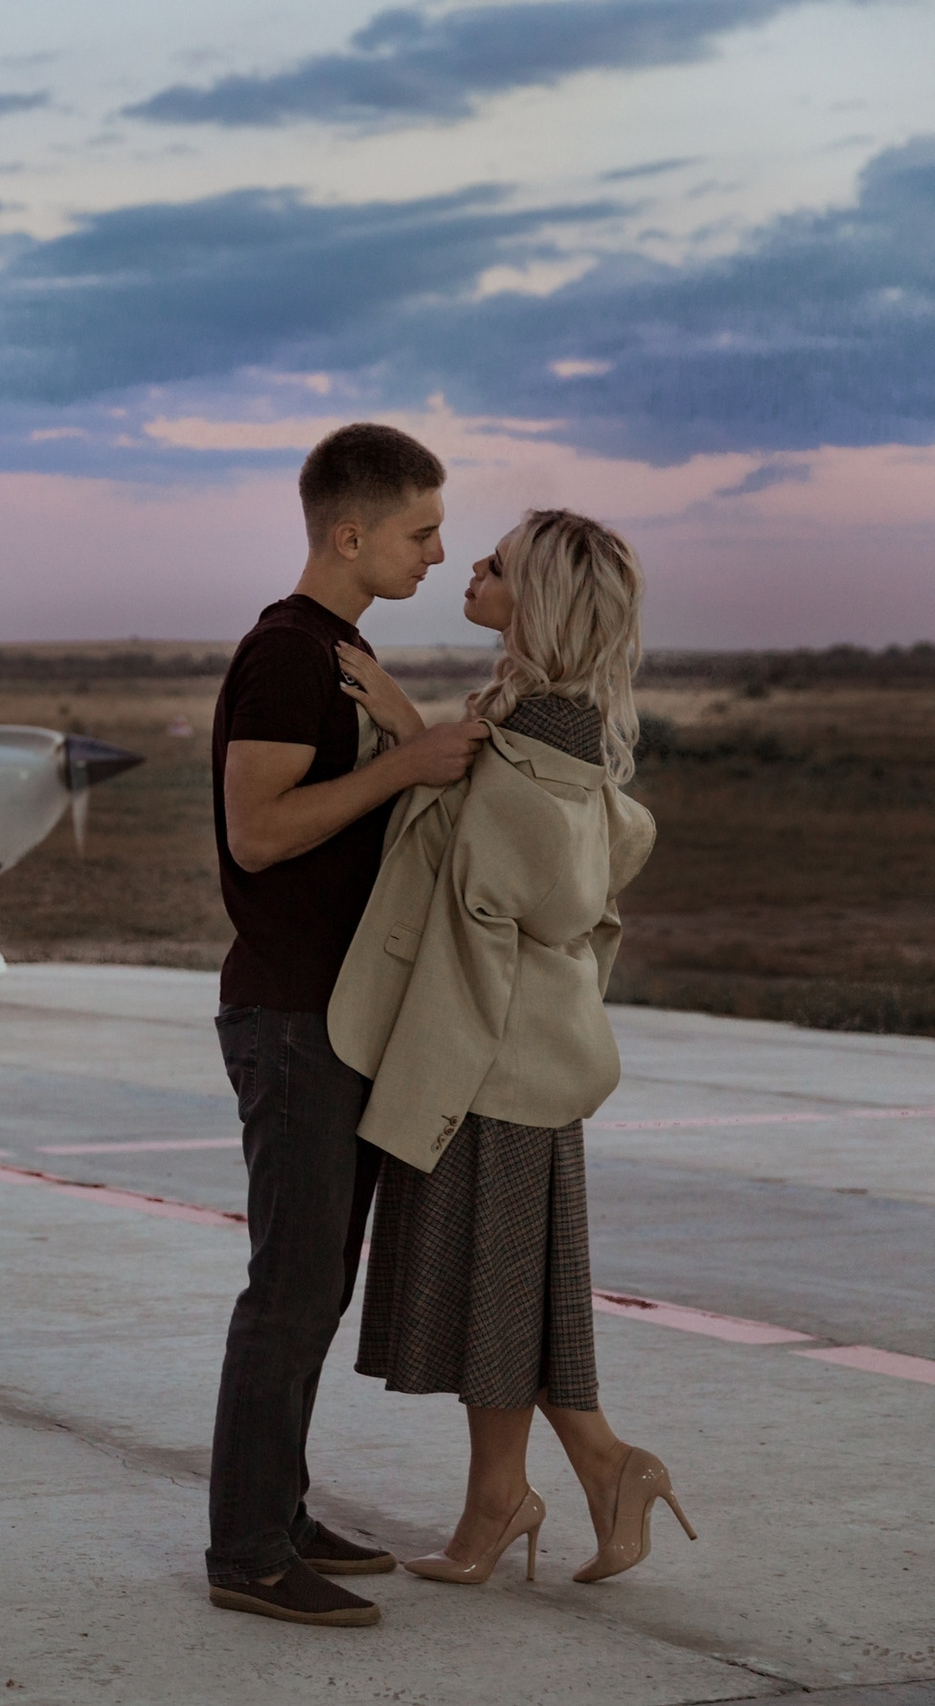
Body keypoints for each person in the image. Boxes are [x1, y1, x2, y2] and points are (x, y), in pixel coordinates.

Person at [328, 510, 688, 1588]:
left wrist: (402, 731)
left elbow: (544, 889)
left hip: (494, 1065)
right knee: (507, 1292)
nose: (469, 570)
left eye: (495, 564)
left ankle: (577, 1475)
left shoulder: (543, 742)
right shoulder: (537, 720)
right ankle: (524, 1493)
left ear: (537, 601)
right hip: (515, 1058)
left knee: (501, 1293)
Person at [204, 424, 489, 1627]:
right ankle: (248, 1555)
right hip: (289, 1011)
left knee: (315, 1281)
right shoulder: (284, 654)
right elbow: (257, 833)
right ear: (349, 531)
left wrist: (415, 743)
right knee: (288, 1284)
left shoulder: (341, 650)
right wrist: (402, 764)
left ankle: (278, 1505)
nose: (439, 549)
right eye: (421, 529)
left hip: (336, 1011)